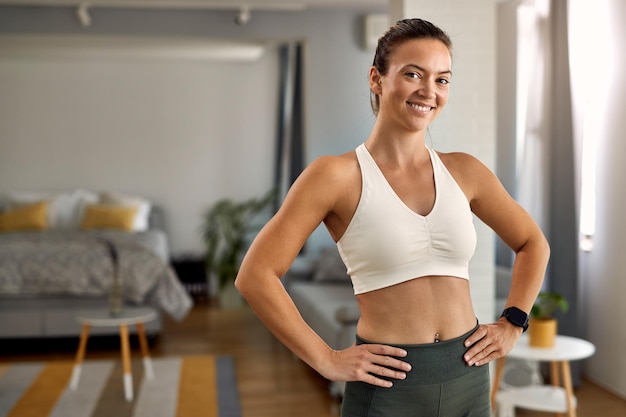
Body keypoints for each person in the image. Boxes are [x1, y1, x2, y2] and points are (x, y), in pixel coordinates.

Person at [235, 18, 549, 416]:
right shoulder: (335, 176)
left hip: (468, 379)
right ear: (376, 79)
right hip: (389, 390)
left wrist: (513, 322)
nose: (428, 91)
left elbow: (532, 242)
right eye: (412, 74)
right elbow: (255, 274)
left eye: (442, 79)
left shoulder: (465, 171)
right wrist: (326, 358)